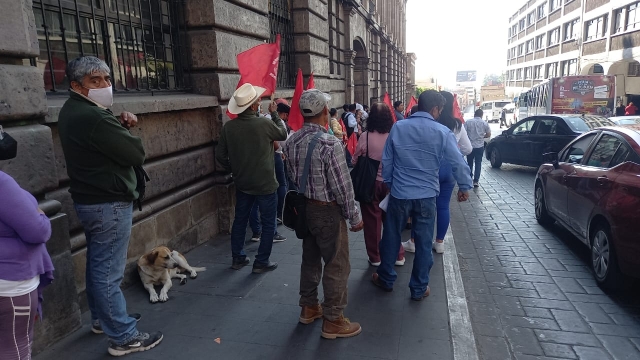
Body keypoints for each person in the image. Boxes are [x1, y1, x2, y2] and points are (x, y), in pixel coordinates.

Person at [57, 56, 162, 356]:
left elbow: (99, 145)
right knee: (108, 272)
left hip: (93, 201)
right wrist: (128, 130)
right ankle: (124, 336)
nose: (105, 85)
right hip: (107, 204)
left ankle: (104, 320)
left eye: (106, 79)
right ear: (77, 85)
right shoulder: (92, 116)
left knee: (98, 265)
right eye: (95, 81)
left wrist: (116, 124)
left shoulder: (75, 111)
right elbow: (134, 153)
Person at [372, 90, 472, 301]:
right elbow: (458, 161)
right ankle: (418, 288)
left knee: (391, 237)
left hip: (400, 194)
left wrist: (390, 183)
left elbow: (387, 161)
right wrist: (465, 186)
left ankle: (386, 279)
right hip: (427, 196)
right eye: (440, 110)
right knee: (425, 243)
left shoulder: (398, 127)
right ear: (434, 109)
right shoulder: (442, 132)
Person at [284, 89, 364, 339]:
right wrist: (354, 216)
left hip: (305, 209)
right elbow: (343, 186)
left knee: (310, 258)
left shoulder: (292, 141)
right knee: (336, 264)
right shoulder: (330, 144)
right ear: (324, 113)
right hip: (327, 212)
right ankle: (333, 320)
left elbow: (291, 176)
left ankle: (308, 307)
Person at [215, 83, 288, 273]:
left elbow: (220, 156)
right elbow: (282, 133)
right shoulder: (264, 123)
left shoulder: (229, 128)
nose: (260, 103)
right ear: (254, 106)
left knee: (240, 220)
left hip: (243, 182)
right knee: (268, 221)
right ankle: (261, 261)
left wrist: (234, 168)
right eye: (258, 101)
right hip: (265, 183)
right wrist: (274, 114)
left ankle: (238, 258)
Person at [0, 137, 54, 360]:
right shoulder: (2, 184)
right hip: (10, 282)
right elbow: (37, 231)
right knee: (16, 347)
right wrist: (41, 216)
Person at [402, 91, 472, 255]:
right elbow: (468, 148)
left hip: (429, 168)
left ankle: (413, 241)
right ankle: (439, 242)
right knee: (443, 206)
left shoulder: (430, 121)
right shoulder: (457, 124)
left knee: (420, 205)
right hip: (449, 170)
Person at [352, 103, 405, 266]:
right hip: (393, 185)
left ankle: (375, 257)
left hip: (370, 184)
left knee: (372, 222)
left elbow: (355, 160)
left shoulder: (365, 136)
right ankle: (398, 255)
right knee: (392, 221)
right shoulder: (396, 135)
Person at [248, 103, 291, 243]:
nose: (260, 107)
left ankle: (256, 232)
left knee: (252, 202)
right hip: (268, 161)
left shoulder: (238, 126)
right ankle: (272, 230)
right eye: (258, 104)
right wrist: (274, 115)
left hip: (249, 166)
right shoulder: (266, 121)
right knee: (271, 196)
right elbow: (280, 137)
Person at [464, 109, 491, 187]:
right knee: (478, 163)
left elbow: (464, 133)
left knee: (469, 163)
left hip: (470, 146)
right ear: (481, 115)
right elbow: (488, 134)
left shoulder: (468, 122)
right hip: (479, 146)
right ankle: (476, 181)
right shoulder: (484, 123)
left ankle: (469, 178)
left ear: (474, 114)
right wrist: (482, 136)